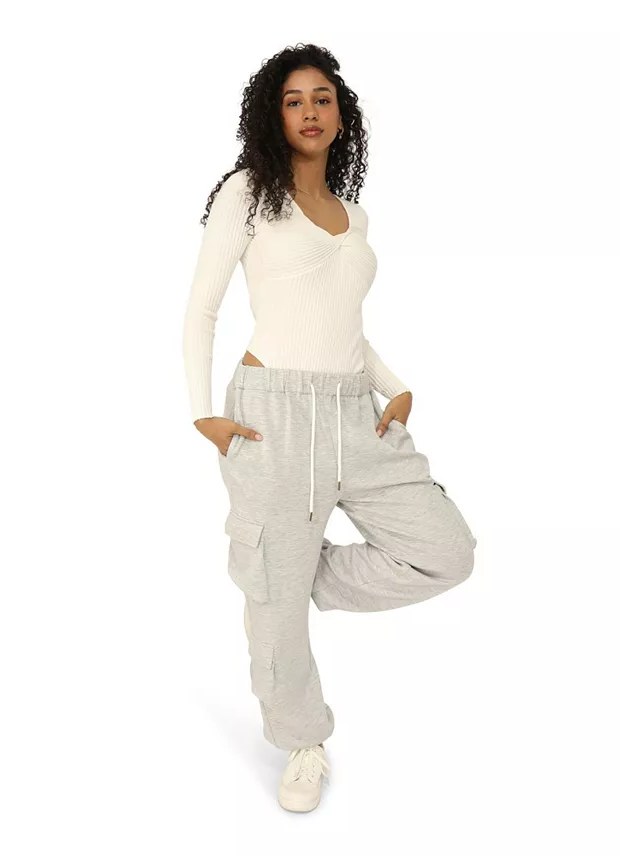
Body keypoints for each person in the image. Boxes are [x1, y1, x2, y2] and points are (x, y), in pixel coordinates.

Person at [182, 44, 477, 813]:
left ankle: (286, 574)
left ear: (341, 115)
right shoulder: (249, 193)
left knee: (447, 551)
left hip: (354, 412)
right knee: (273, 606)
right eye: (293, 100)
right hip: (269, 413)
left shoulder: (355, 216)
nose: (310, 111)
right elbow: (203, 307)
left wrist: (395, 385)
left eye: (322, 98)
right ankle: (302, 738)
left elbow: (344, 321)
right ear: (273, 115)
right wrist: (203, 411)